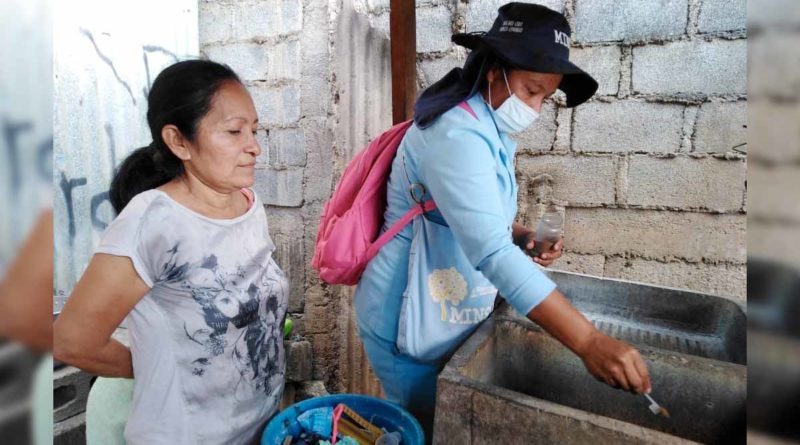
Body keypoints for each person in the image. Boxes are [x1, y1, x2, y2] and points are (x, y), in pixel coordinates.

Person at [353, 3, 651, 438]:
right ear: (494, 70)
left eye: (545, 98)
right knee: (422, 428)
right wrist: (589, 342)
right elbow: (489, 250)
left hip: (441, 302)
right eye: (531, 90)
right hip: (406, 313)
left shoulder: (489, 126)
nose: (534, 107)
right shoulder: (456, 132)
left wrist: (520, 236)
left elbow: (470, 216)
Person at [53, 60, 289, 445]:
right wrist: (150, 367)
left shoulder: (247, 203)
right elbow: (72, 340)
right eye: (233, 131)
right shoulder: (153, 222)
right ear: (179, 141)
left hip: (259, 426)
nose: (254, 147)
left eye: (253, 129)